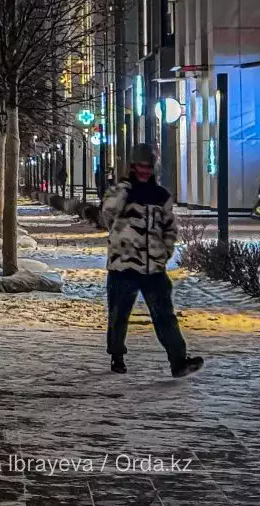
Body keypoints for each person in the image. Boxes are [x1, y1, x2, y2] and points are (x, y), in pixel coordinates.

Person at [100, 143, 203, 377]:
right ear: (132, 167)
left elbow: (170, 227)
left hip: (153, 267)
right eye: (140, 166)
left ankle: (178, 361)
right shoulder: (120, 192)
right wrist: (124, 190)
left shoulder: (161, 196)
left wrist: (165, 251)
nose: (144, 171)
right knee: (118, 313)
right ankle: (117, 355)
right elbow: (106, 214)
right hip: (123, 265)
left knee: (164, 314)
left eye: (148, 167)